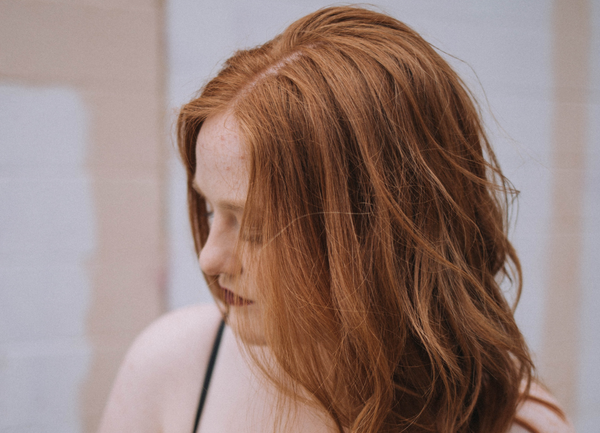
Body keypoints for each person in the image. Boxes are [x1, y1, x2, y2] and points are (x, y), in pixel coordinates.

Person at [98, 6, 575, 433]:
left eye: (259, 227)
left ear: (379, 234)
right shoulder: (175, 366)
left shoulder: (512, 420)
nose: (209, 257)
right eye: (209, 209)